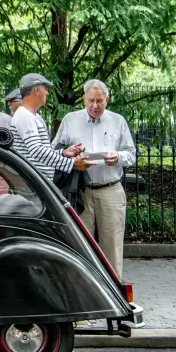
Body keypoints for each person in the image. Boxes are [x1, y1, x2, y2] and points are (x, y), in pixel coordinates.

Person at [52, 79, 135, 278]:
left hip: (110, 190)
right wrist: (69, 154)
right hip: (80, 191)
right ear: (84, 99)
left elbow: (131, 154)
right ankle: (82, 292)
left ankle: (114, 293)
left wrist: (118, 158)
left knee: (112, 246)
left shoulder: (117, 121)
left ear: (107, 99)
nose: (94, 106)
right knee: (80, 243)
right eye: (90, 101)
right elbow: (55, 151)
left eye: (99, 101)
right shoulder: (70, 120)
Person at [10, 73, 89, 182]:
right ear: (36, 91)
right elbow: (37, 151)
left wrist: (63, 152)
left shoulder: (31, 116)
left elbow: (37, 151)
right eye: (45, 89)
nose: (47, 92)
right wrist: (71, 163)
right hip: (33, 183)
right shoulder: (25, 117)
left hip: (36, 181)